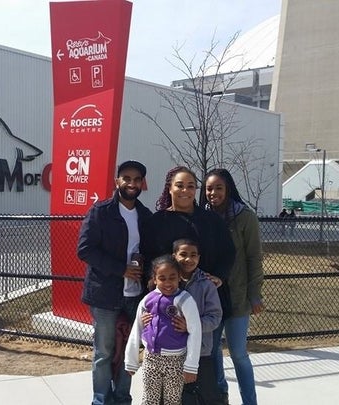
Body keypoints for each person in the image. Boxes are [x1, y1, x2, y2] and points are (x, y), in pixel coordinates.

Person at [78, 160, 154, 405]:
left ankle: (122, 399)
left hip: (135, 296)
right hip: (105, 295)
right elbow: (85, 250)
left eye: (136, 179)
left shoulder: (145, 215)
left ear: (142, 183)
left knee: (129, 352)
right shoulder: (100, 211)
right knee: (104, 353)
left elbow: (152, 250)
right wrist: (121, 269)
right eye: (126, 178)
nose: (131, 183)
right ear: (117, 181)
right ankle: (101, 400)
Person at [202, 168, 264, 405]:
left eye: (219, 187)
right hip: (211, 298)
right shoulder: (204, 217)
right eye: (209, 188)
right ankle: (221, 397)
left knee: (238, 353)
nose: (213, 193)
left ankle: (249, 401)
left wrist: (255, 295)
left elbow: (253, 258)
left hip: (237, 296)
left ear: (228, 189)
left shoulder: (244, 217)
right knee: (214, 351)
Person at [140, 166, 235, 316]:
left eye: (190, 186)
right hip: (166, 300)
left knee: (206, 340)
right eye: (179, 186)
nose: (185, 190)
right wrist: (153, 282)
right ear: (170, 188)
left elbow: (228, 252)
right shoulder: (156, 222)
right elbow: (147, 257)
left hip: (204, 301)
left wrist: (219, 275)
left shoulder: (211, 220)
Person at [125, 254, 202, 405]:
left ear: (179, 277)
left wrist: (191, 366)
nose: (168, 283)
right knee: (149, 400)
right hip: (151, 359)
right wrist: (131, 360)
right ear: (155, 279)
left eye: (172, 277)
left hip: (175, 361)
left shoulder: (185, 300)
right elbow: (137, 328)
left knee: (172, 401)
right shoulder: (147, 300)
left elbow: (195, 331)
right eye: (162, 278)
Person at [171, 238, 223, 404]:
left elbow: (214, 317)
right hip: (173, 351)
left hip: (200, 351)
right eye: (183, 254)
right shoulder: (167, 283)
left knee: (208, 395)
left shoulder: (207, 285)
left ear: (199, 258)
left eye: (193, 255)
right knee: (178, 395)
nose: (189, 259)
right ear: (174, 256)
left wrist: (191, 326)